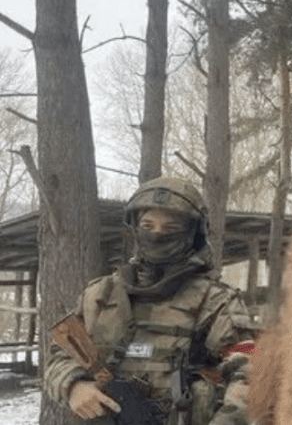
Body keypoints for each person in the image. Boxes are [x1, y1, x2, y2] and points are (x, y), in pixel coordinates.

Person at [45, 177, 257, 425]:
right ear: (135, 229)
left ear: (193, 233)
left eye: (170, 227)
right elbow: (58, 355)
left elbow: (250, 371)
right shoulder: (100, 295)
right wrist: (74, 385)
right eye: (147, 225)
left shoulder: (217, 300)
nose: (156, 234)